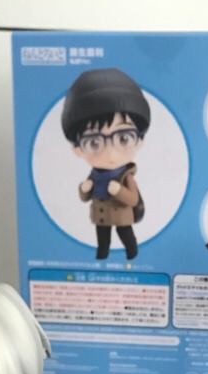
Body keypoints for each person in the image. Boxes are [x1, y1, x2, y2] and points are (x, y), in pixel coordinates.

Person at [61, 67, 151, 260]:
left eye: (124, 138)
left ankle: (133, 256)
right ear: (78, 149)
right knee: (103, 241)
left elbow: (132, 199)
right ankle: (102, 259)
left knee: (126, 236)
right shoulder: (94, 175)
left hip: (122, 216)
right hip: (100, 215)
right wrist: (84, 188)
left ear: (139, 141)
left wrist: (118, 191)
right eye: (94, 142)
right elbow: (85, 197)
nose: (111, 154)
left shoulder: (126, 176)